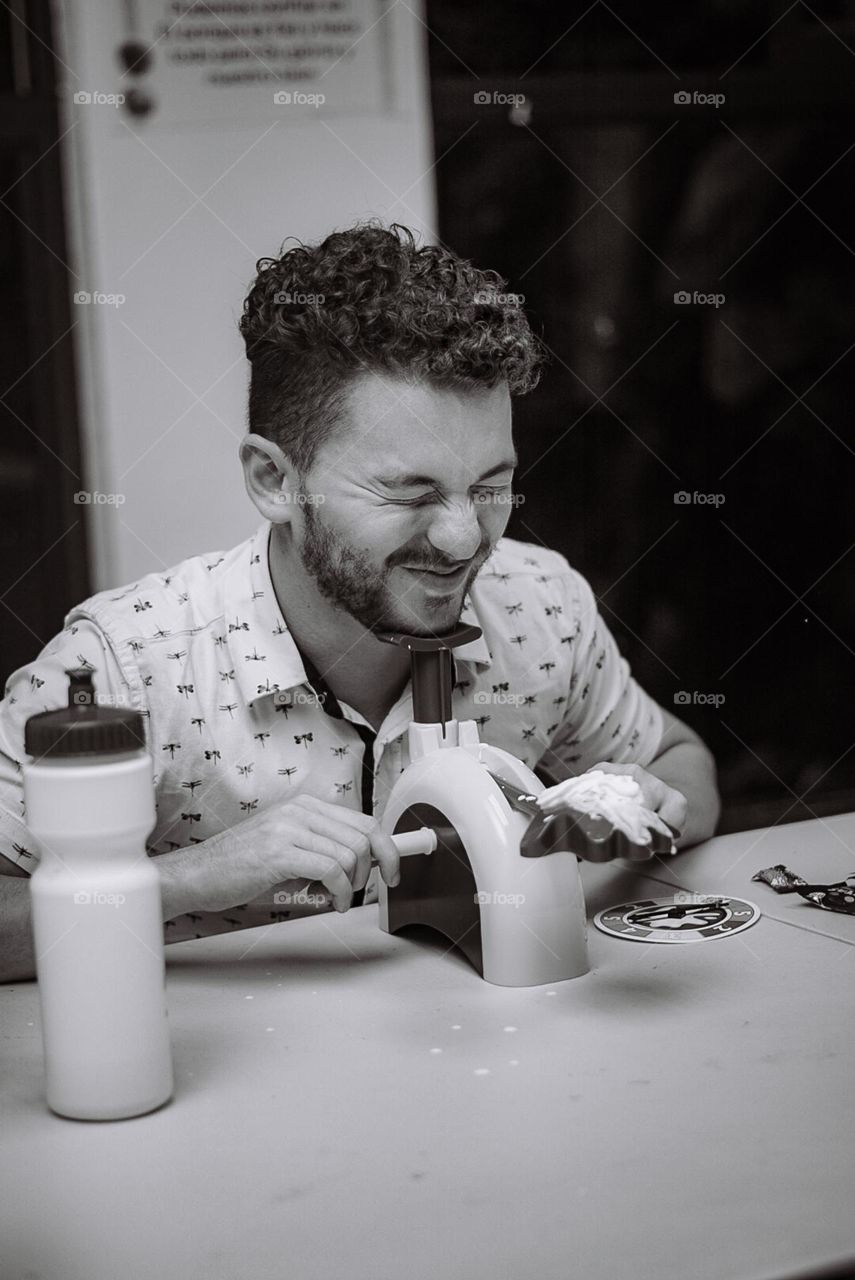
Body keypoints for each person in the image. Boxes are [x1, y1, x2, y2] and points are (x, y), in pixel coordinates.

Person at [0, 221, 720, 982]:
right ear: (275, 481)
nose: (461, 538)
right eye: (407, 492)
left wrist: (652, 806)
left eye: (490, 486)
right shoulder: (121, 669)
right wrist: (187, 881)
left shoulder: (541, 605)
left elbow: (681, 762)